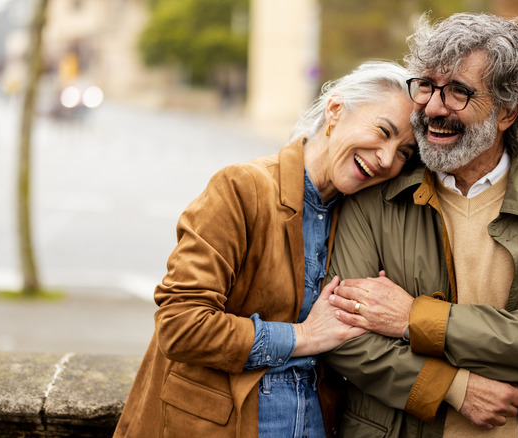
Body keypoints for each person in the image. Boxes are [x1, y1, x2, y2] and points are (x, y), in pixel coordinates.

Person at [323, 13, 518, 437]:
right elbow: (346, 334)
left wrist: (412, 317)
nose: (433, 106)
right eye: (428, 86)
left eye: (458, 92)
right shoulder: (376, 192)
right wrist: (452, 387)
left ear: (506, 112)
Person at [113, 61, 417, 438]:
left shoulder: (359, 215)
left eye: (404, 152)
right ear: (335, 111)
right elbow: (180, 325)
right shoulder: (242, 188)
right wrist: (302, 337)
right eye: (383, 131)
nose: (387, 159)